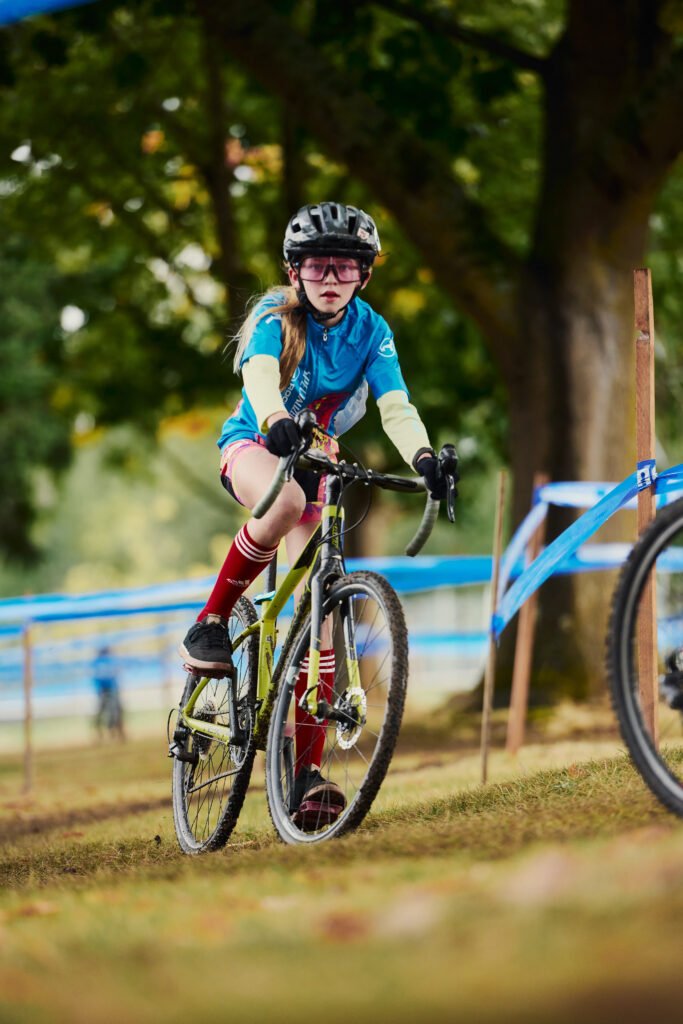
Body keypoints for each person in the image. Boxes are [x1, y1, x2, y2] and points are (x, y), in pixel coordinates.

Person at [180, 201, 454, 826]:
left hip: (316, 458)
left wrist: (422, 457)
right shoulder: (274, 316)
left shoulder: (372, 330)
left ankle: (304, 776)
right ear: (294, 270)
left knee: (323, 623)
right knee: (285, 503)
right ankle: (211, 622)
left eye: (345, 266)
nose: (331, 277)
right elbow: (259, 376)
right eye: (318, 265)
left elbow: (395, 404)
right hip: (255, 445)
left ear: (365, 274)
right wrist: (276, 418)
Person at [92, 645, 126, 741]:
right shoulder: (111, 660)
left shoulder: (96, 662)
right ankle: (117, 733)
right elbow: (116, 672)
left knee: (104, 712)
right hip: (111, 689)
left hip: (103, 690)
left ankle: (103, 733)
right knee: (116, 711)